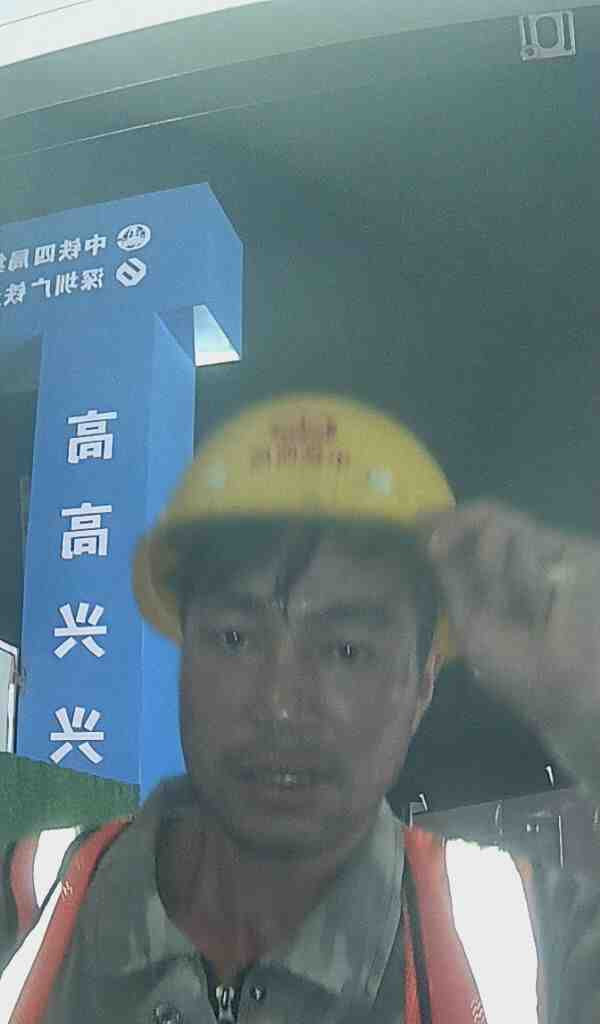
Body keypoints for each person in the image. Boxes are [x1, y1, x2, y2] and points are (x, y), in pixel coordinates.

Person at [2, 392, 600, 1023]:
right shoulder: (30, 898)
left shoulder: (534, 940)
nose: (281, 705)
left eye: (347, 650)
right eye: (235, 638)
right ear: (185, 648)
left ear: (422, 683)